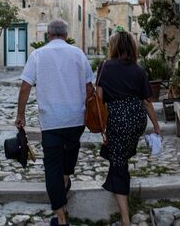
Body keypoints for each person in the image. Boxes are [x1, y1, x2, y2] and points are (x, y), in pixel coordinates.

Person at [15, 19, 94, 226]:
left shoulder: (38, 55)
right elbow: (89, 88)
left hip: (50, 120)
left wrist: (20, 115)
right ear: (66, 35)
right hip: (76, 118)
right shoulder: (78, 54)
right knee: (68, 162)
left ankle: (61, 218)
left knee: (52, 168)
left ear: (48, 35)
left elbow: (25, 86)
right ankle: (64, 184)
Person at [96, 26, 161, 226]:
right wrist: (156, 127)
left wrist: (102, 128)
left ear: (114, 46)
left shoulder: (105, 67)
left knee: (118, 163)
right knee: (118, 156)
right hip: (136, 120)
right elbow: (147, 101)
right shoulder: (138, 69)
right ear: (132, 47)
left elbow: (99, 99)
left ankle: (125, 218)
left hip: (117, 118)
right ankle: (117, 181)